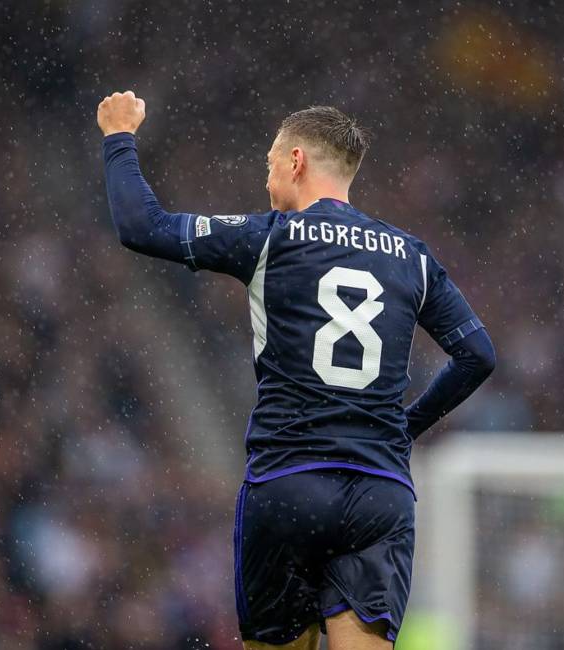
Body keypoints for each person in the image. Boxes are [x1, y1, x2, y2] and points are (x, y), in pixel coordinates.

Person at [97, 91, 495, 650]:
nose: (266, 181)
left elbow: (142, 226)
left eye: (269, 164)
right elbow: (478, 354)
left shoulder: (270, 237)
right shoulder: (412, 256)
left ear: (296, 160)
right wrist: (405, 428)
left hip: (289, 483)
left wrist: (119, 138)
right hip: (378, 490)